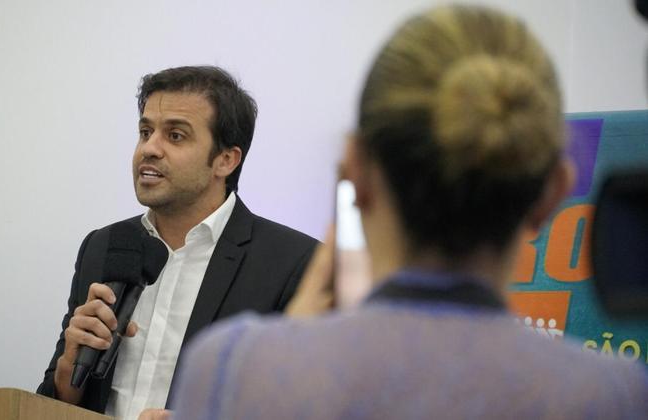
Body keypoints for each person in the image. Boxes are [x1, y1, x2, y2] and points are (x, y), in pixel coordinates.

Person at [169, 5, 648, 419]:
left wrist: (276, 356)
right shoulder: (613, 397)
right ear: (553, 193)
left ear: (355, 170)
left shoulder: (233, 368)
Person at [37, 66, 317, 419]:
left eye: (175, 136)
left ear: (225, 160)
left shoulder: (291, 263)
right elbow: (53, 399)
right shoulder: (104, 246)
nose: (149, 149)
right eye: (145, 131)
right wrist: (67, 375)